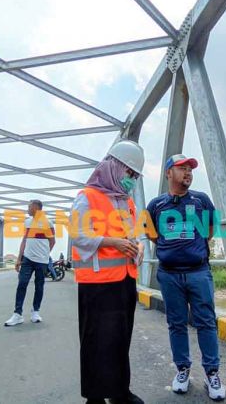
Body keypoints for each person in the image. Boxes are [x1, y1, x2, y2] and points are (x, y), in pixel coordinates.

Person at [69, 140, 145, 404]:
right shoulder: (87, 197)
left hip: (124, 281)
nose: (131, 180)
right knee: (95, 341)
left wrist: (139, 247)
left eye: (135, 176)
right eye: (130, 173)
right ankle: (95, 397)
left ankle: (120, 392)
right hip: (97, 284)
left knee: (120, 339)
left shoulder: (127, 203)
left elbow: (133, 235)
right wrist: (111, 242)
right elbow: (78, 235)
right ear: (114, 167)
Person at [145, 154, 226, 401]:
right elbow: (152, 233)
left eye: (190, 168)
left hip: (198, 272)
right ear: (168, 173)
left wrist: (194, 246)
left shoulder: (201, 200)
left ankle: (212, 373)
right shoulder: (156, 205)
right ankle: (182, 369)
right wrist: (171, 248)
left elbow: (210, 229)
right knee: (176, 323)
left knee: (206, 322)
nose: (188, 172)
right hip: (169, 275)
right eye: (182, 168)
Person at [5, 199, 55, 326]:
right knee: (22, 283)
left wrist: (45, 254)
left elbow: (52, 241)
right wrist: (18, 259)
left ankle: (35, 311)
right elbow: (24, 240)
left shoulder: (48, 223)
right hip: (27, 259)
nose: (27, 208)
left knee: (39, 286)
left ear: (36, 208)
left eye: (29, 206)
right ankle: (17, 314)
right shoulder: (27, 222)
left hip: (42, 261)